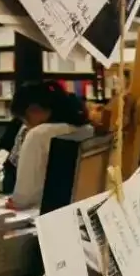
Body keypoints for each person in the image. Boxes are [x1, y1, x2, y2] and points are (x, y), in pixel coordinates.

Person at [6, 81, 91, 210]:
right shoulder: (85, 128)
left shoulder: (38, 135)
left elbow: (24, 194)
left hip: (39, 210)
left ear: (34, 110)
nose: (26, 125)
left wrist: (17, 201)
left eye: (24, 119)